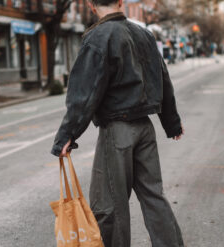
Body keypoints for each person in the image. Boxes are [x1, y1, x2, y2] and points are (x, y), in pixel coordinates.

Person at [51, 0, 185, 246]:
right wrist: (171, 122)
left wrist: (68, 134)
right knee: (154, 197)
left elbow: (84, 92)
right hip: (145, 128)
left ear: (91, 5)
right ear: (121, 2)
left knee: (110, 206)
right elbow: (162, 78)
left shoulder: (98, 38)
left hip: (117, 131)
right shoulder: (144, 34)